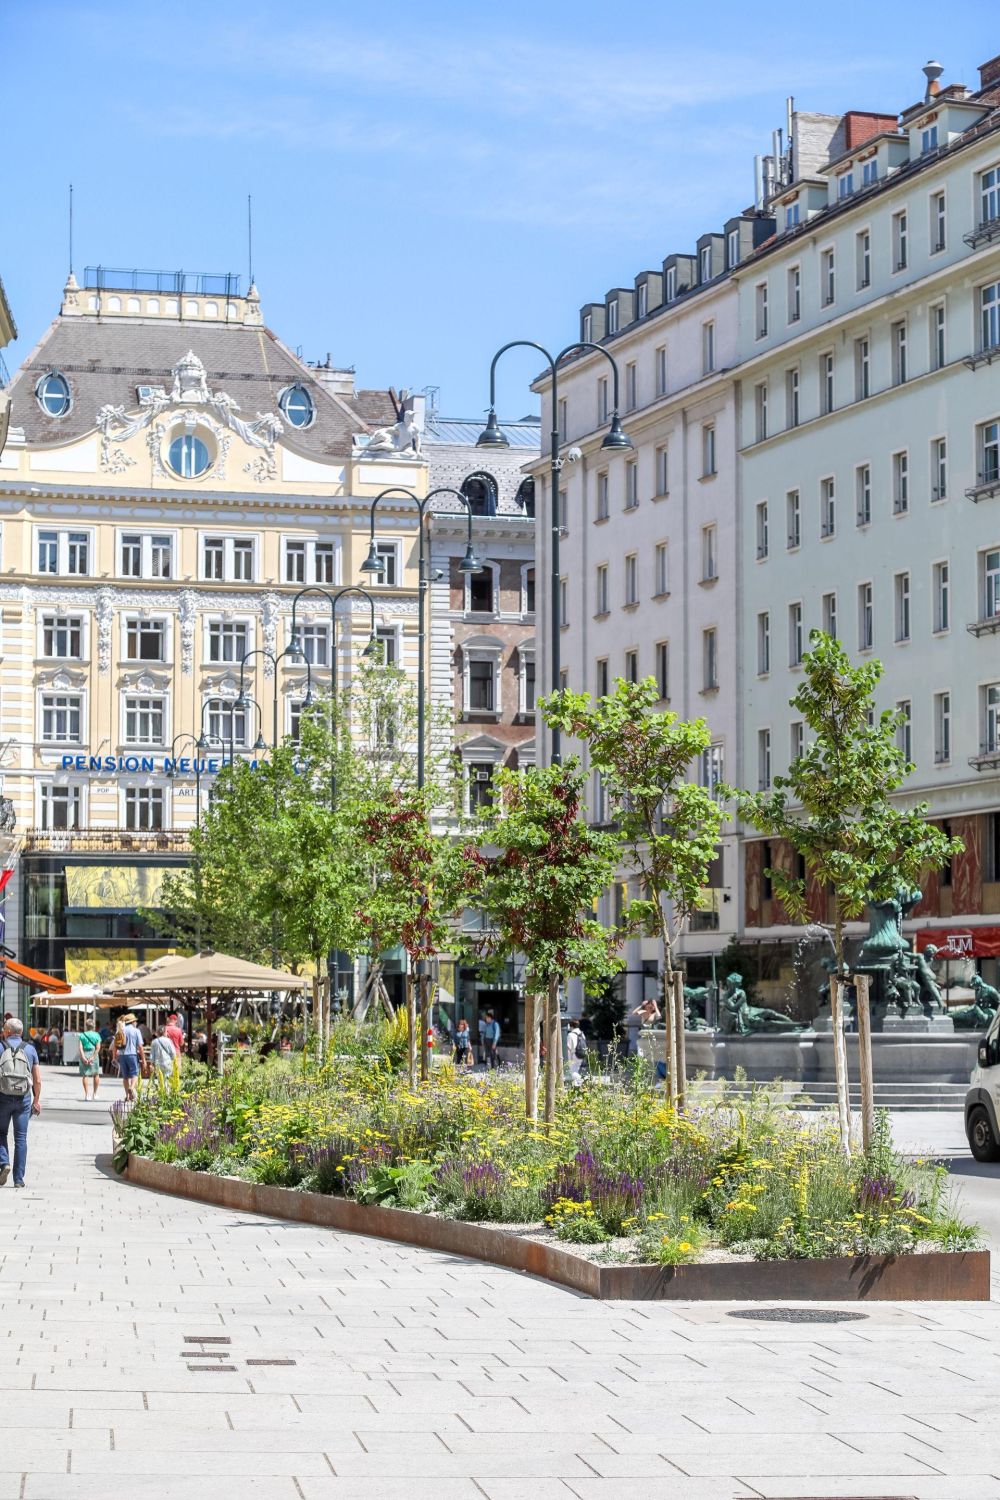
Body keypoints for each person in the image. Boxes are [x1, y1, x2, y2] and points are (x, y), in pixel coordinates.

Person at [0, 1018, 42, 1187]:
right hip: (23, 1098)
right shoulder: (30, 1049)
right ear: (21, 1032)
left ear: (8, 1031)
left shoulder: (0, 1047)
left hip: (2, 1096)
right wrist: (36, 1100)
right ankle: (18, 1179)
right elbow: (37, 1079)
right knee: (21, 1138)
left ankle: (4, 1163)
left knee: (0, 1133)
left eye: (4, 1029)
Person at [111, 1012, 146, 1102]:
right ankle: (131, 1087)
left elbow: (114, 1046)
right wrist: (144, 1059)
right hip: (132, 1055)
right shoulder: (136, 1031)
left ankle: (127, 1096)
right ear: (133, 1022)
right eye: (135, 1021)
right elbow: (140, 1047)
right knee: (135, 1074)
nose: (136, 1023)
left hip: (122, 1056)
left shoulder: (120, 1030)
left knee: (125, 1077)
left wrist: (114, 1057)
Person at [77, 1025, 102, 1100]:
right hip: (94, 1053)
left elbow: (80, 1048)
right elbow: (98, 1048)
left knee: (85, 1074)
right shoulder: (97, 1035)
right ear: (93, 1027)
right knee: (96, 1074)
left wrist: (83, 1057)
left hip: (85, 1053)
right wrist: (93, 1057)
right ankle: (94, 1094)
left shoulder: (82, 1035)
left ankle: (87, 1095)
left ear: (86, 1026)